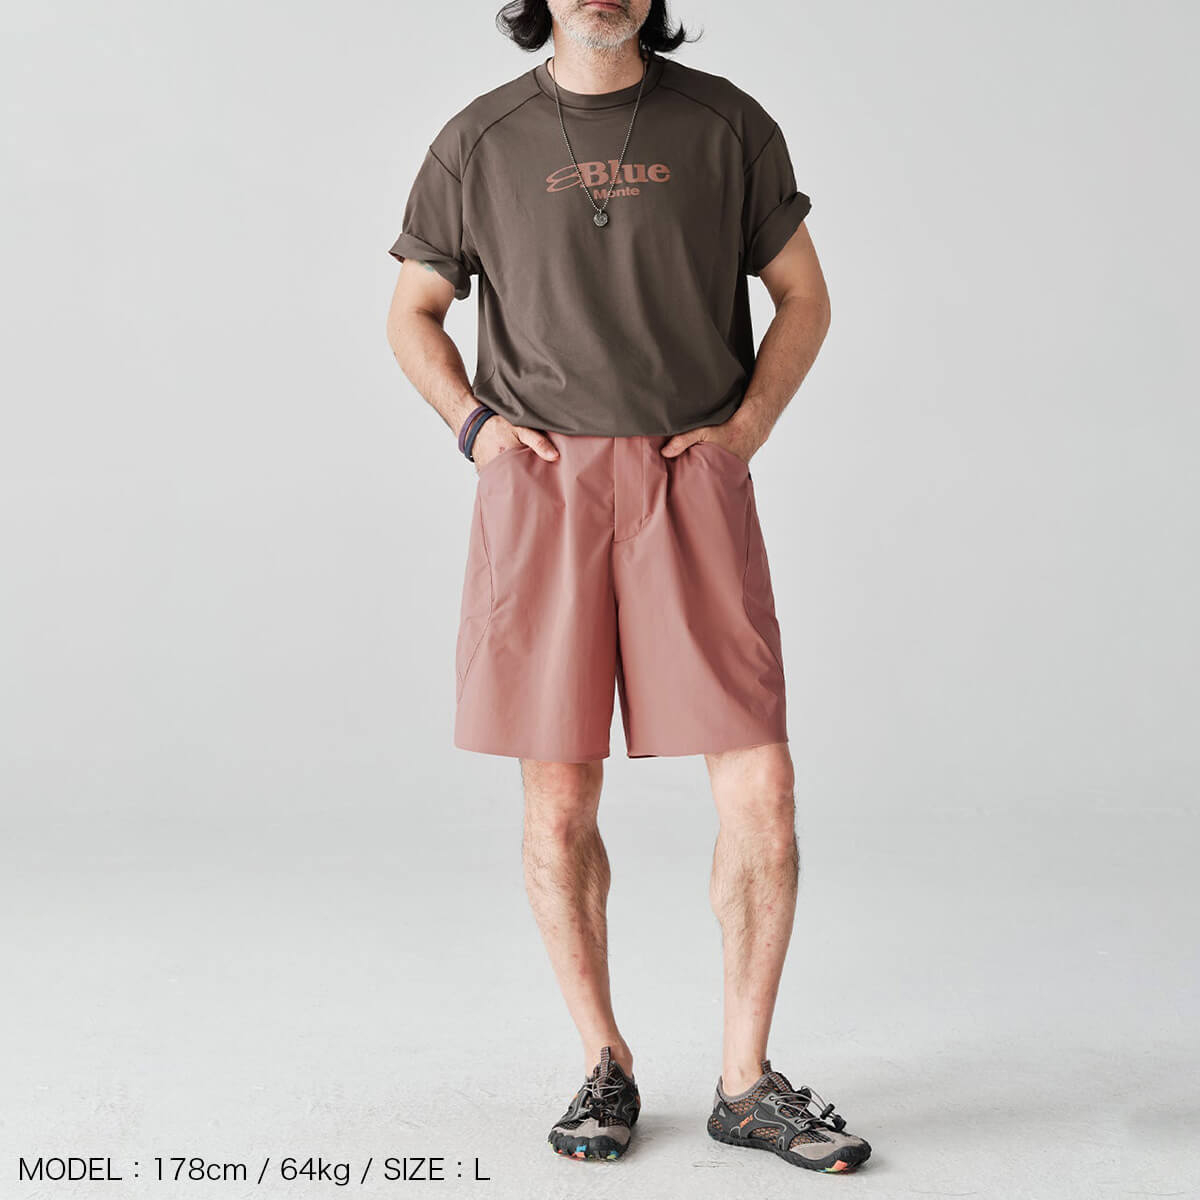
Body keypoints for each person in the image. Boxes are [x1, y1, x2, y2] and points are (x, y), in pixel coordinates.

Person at [385, 0, 872, 1174]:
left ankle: (746, 1082)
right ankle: (605, 1059)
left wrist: (745, 431)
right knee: (557, 803)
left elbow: (805, 294)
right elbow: (412, 314)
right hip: (542, 489)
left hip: (685, 477)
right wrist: (475, 431)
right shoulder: (477, 141)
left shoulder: (727, 126)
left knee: (763, 789)